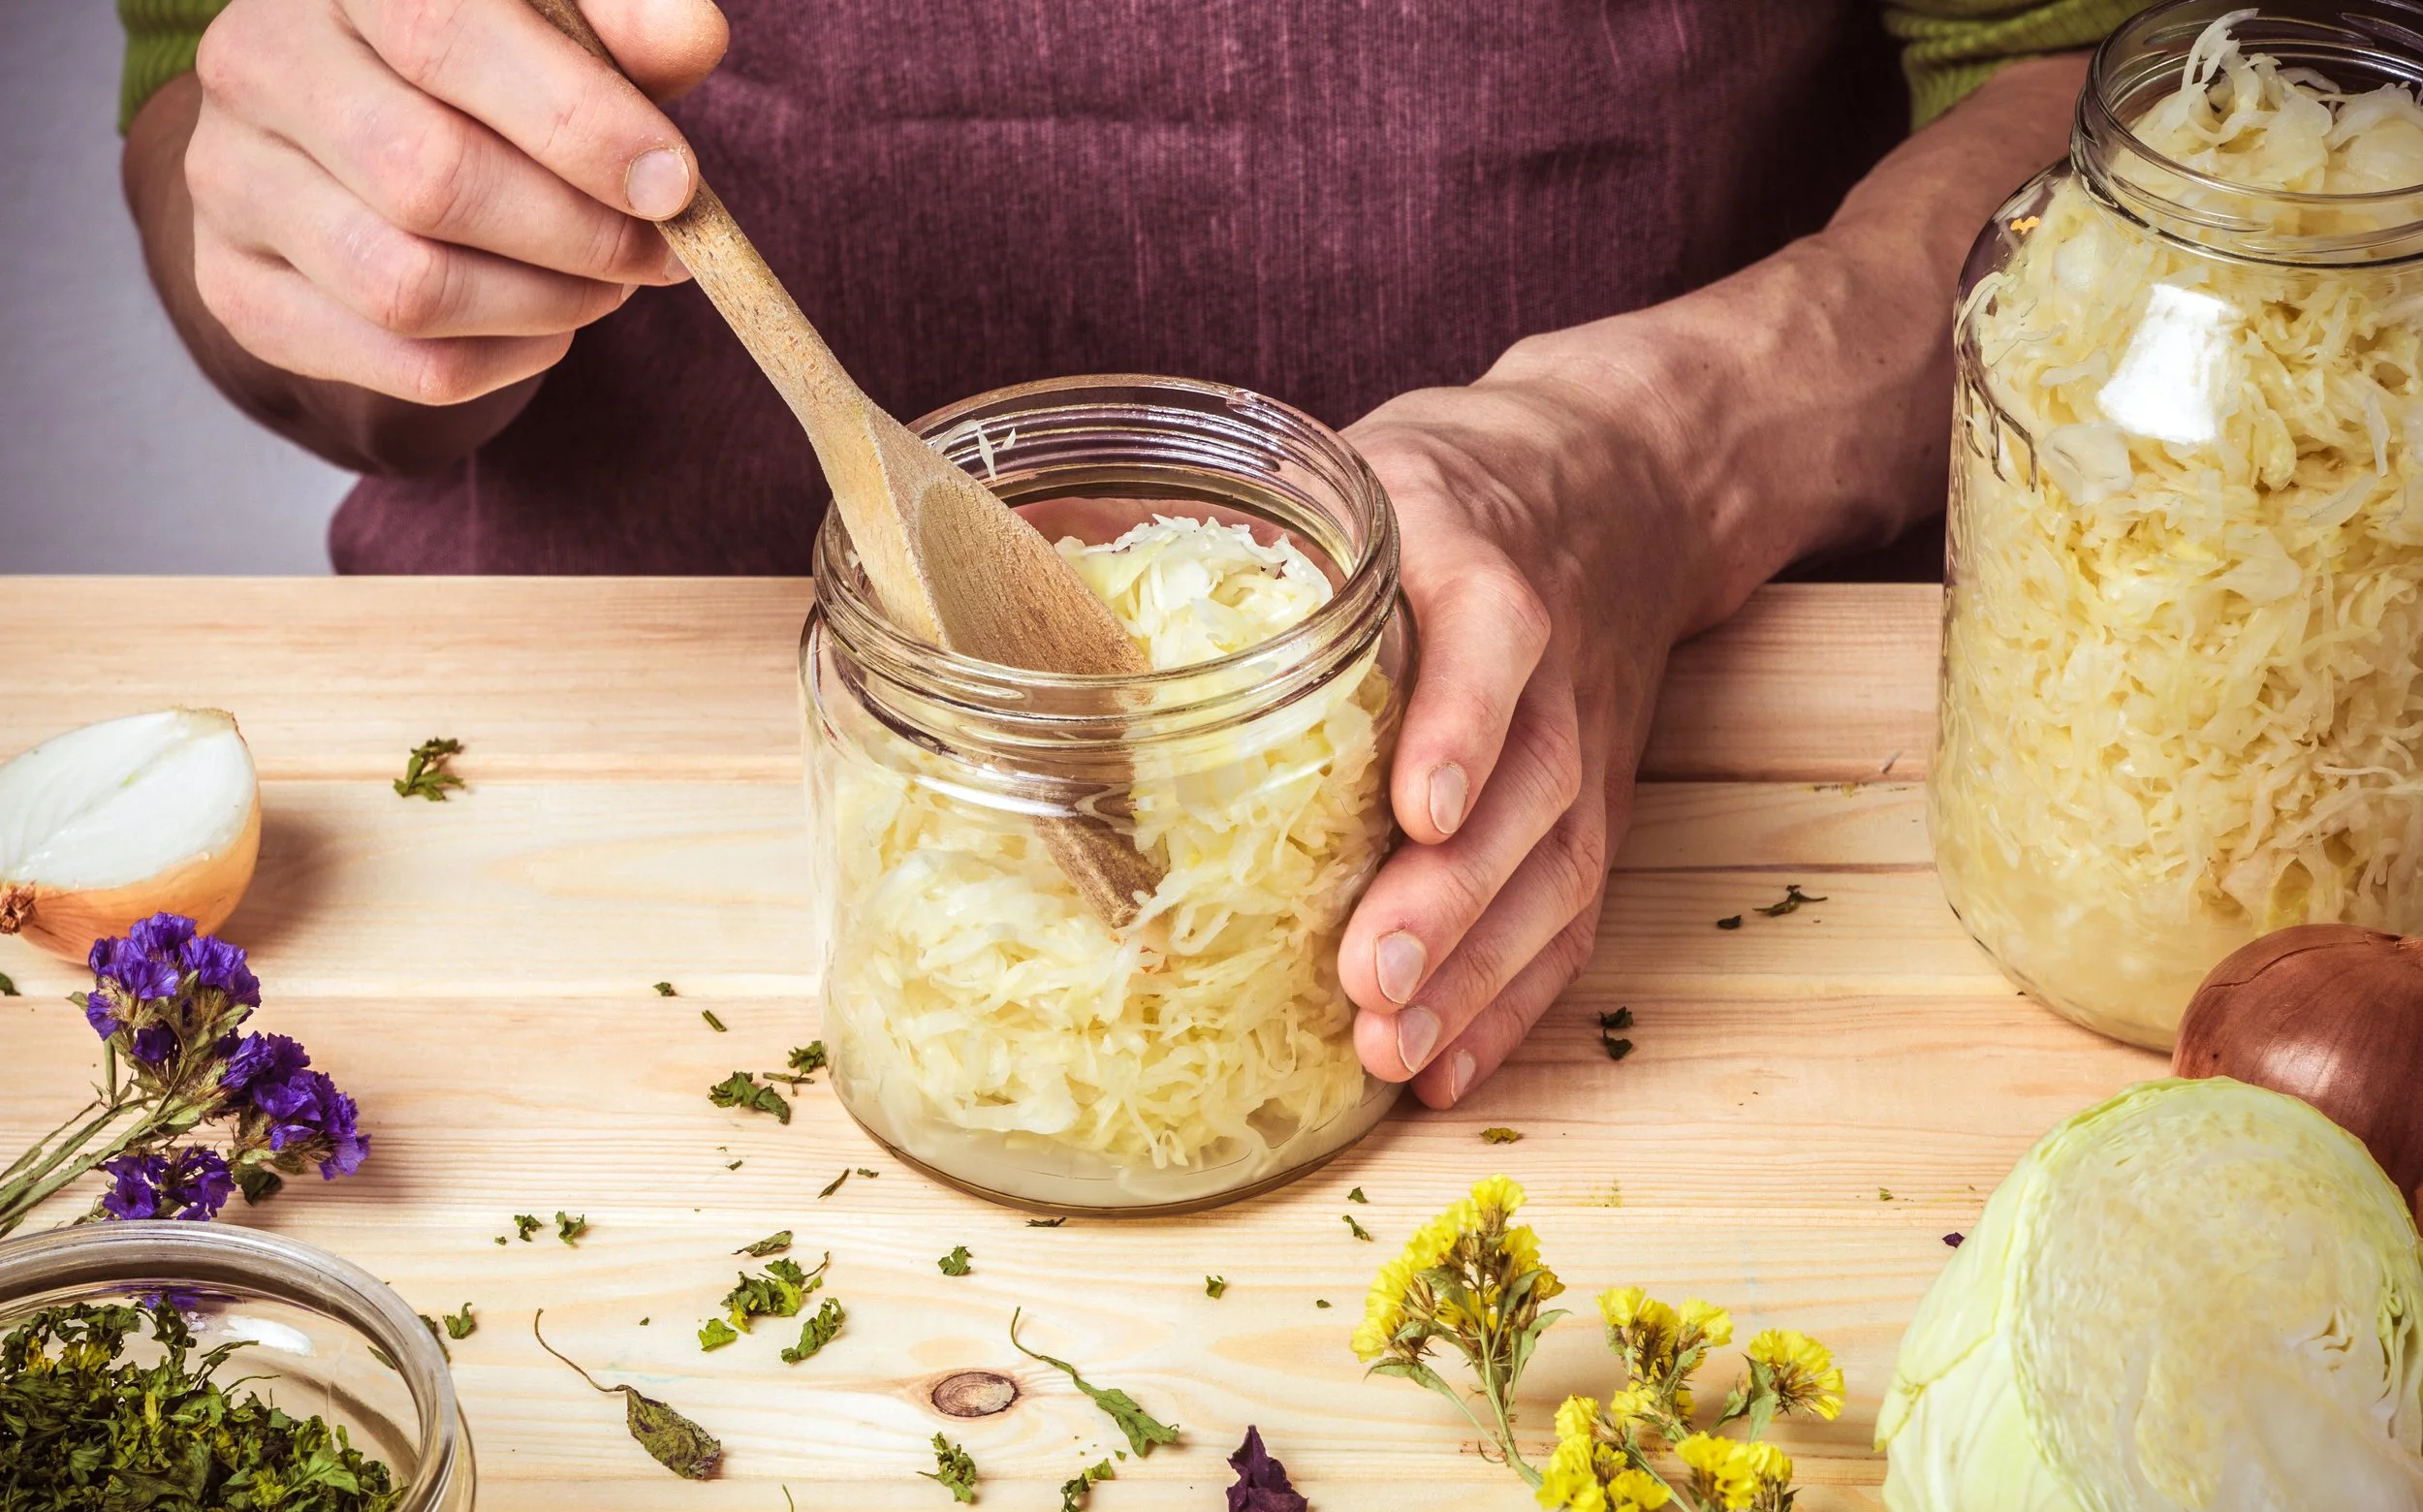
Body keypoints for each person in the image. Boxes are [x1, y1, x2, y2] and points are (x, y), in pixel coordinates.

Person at [118, 0, 2145, 1110]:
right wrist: (354, 232)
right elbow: (193, 94)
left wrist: (1652, 452)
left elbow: (2104, 96)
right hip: (542, 830)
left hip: (1714, 778)